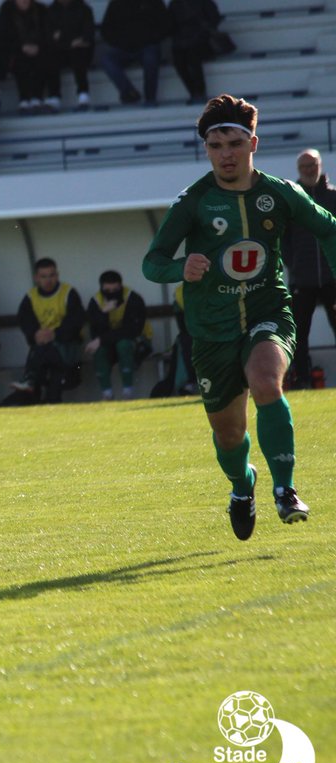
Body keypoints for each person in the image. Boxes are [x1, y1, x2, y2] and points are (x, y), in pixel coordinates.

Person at [142, 95, 336, 539]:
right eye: (215, 145)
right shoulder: (193, 202)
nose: (225, 153)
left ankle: (285, 489)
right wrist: (179, 269)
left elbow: (329, 228)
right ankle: (241, 485)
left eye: (233, 142)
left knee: (267, 382)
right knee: (229, 436)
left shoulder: (280, 193)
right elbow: (152, 262)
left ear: (253, 144)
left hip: (269, 310)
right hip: (211, 329)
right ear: (207, 150)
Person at [282, 149, 336, 389]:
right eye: (304, 166)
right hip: (302, 279)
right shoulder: (292, 199)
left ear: (320, 165)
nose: (309, 169)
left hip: (332, 276)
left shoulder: (333, 197)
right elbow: (283, 240)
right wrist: (293, 265)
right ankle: (302, 379)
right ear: (298, 169)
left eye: (312, 165)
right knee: (299, 333)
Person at [11, 257, 85, 403]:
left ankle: (30, 380)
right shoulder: (31, 297)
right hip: (43, 348)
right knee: (44, 351)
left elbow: (75, 321)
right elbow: (25, 320)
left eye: (51, 275)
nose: (48, 280)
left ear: (57, 275)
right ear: (37, 278)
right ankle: (43, 395)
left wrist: (55, 334)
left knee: (46, 352)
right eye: (44, 276)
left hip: (67, 347)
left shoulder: (68, 293)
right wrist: (35, 334)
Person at [84, 269, 150, 400]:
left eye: (116, 289)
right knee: (99, 349)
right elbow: (95, 331)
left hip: (137, 342)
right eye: (107, 291)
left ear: (121, 286)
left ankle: (128, 392)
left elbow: (132, 331)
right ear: (102, 288)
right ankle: (107, 394)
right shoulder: (96, 301)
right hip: (109, 344)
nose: (112, 294)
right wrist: (104, 313)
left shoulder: (132, 298)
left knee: (123, 344)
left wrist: (102, 339)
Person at [98, 0, 170, 107]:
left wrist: (150, 39)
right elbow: (106, 29)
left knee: (150, 58)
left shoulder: (153, 2)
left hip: (147, 46)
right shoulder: (117, 3)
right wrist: (119, 42)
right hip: (123, 48)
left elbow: (166, 25)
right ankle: (129, 91)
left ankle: (150, 98)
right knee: (106, 59)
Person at [0, 0, 56, 114]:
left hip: (39, 51)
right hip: (15, 53)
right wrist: (21, 47)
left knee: (44, 56)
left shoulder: (41, 11)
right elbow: (0, 38)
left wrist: (38, 47)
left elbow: (48, 36)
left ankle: (37, 97)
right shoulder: (6, 11)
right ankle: (24, 98)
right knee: (20, 60)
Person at [168, 0, 221, 103]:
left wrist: (203, 30)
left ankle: (199, 92)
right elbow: (170, 24)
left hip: (202, 40)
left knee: (193, 58)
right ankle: (194, 92)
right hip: (181, 41)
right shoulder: (174, 4)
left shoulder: (203, 2)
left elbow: (214, 18)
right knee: (179, 62)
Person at [47, 0, 95, 109]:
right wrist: (69, 39)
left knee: (78, 54)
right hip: (60, 50)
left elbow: (88, 33)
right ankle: (54, 96)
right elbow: (49, 36)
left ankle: (83, 94)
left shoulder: (84, 9)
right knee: (50, 58)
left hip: (80, 50)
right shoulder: (51, 11)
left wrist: (64, 36)